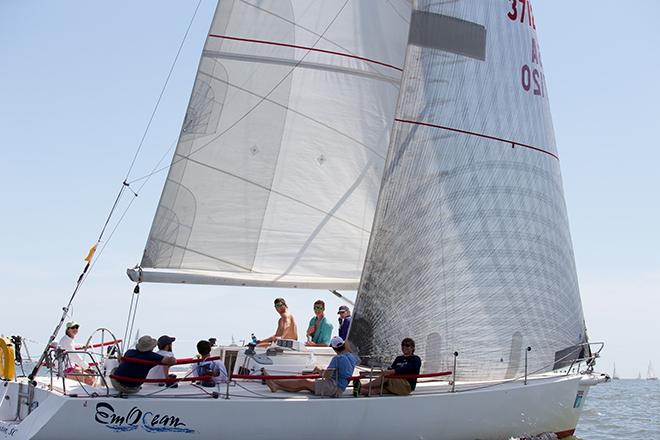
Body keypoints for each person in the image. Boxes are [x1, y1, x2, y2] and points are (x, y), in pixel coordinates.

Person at [265, 336, 358, 397]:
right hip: (339, 387)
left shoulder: (337, 359)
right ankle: (277, 386)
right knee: (305, 386)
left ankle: (275, 382)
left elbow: (327, 375)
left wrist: (319, 370)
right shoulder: (352, 357)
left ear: (333, 348)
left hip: (333, 387)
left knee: (304, 381)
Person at [110, 335, 176, 394]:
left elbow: (122, 363)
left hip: (117, 382)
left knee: (114, 369)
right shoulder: (152, 356)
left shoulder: (129, 352)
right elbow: (171, 361)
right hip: (132, 388)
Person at [57, 321, 95, 385]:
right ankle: (89, 393)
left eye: (76, 327)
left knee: (92, 373)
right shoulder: (67, 342)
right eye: (72, 327)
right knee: (89, 377)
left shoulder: (67, 339)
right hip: (66, 370)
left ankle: (90, 391)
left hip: (69, 367)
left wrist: (82, 346)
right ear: (68, 329)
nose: (75, 329)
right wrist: (87, 367)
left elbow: (73, 345)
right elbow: (75, 357)